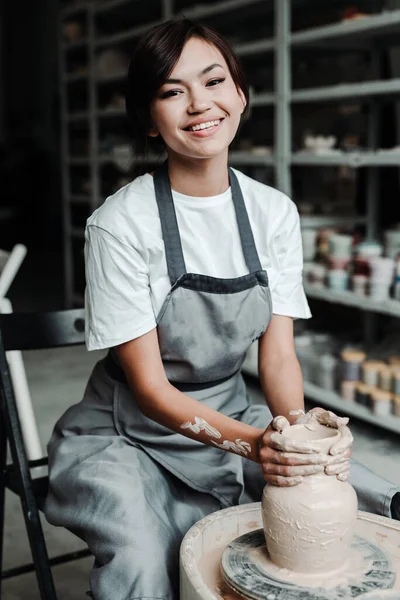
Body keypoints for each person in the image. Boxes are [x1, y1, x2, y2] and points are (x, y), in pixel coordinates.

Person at [45, 18, 400, 600]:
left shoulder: (273, 212)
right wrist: (253, 446)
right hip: (128, 432)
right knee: (143, 557)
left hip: (232, 407)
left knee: (360, 491)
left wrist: (292, 436)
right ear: (149, 120)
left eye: (213, 82)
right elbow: (153, 392)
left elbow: (279, 353)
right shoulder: (119, 225)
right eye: (171, 91)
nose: (198, 105)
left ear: (241, 94)